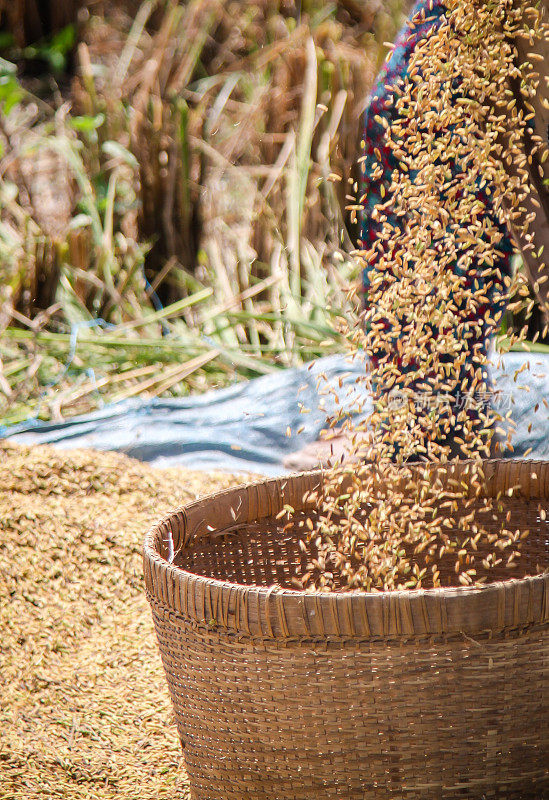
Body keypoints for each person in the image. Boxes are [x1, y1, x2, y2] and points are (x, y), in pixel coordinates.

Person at [285, 0, 547, 471]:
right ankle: (421, 419)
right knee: (406, 111)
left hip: (505, 36)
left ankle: (435, 429)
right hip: (466, 31)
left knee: (458, 145)